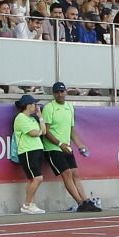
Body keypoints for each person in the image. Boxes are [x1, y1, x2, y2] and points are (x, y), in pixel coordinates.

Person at [38, 81, 102, 212]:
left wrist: (79, 144)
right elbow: (46, 131)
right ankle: (80, 203)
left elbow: (71, 129)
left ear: (66, 92)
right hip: (53, 148)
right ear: (54, 94)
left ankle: (86, 201)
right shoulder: (49, 108)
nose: (60, 94)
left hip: (67, 147)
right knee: (66, 173)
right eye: (57, 92)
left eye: (62, 91)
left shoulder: (69, 107)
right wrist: (60, 144)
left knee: (75, 174)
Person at [10, 93, 56, 214]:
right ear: (28, 105)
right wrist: (40, 131)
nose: (36, 106)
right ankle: (27, 204)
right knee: (37, 178)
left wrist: (40, 117)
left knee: (32, 179)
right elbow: (33, 133)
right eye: (34, 104)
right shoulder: (20, 118)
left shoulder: (32, 118)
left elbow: (43, 131)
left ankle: (31, 203)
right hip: (27, 151)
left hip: (37, 150)